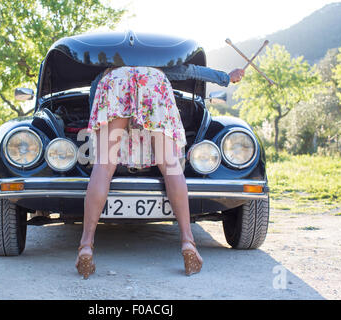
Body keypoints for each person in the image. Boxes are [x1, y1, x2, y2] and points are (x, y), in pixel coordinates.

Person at [76, 64, 245, 279]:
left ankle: (86, 246)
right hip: (153, 80)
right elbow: (187, 70)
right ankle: (187, 242)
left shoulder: (107, 63)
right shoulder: (155, 55)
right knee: (171, 165)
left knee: (104, 165)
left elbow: (94, 97)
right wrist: (225, 77)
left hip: (113, 80)